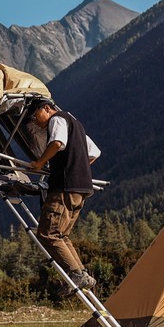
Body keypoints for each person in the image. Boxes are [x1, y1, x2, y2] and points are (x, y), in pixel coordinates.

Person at [27, 98, 101, 296]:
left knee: (48, 233)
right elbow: (94, 153)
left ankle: (75, 273)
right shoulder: (75, 123)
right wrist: (78, 168)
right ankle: (82, 274)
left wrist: (41, 162)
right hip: (81, 188)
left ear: (47, 108)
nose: (36, 122)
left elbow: (57, 142)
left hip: (64, 188)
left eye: (35, 116)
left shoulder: (57, 119)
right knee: (61, 235)